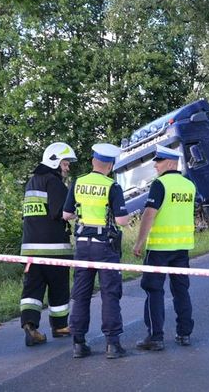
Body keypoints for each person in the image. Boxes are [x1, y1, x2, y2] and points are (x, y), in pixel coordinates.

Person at [62, 143, 129, 359]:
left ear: (93, 162)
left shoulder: (78, 182)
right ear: (110, 166)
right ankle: (112, 344)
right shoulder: (112, 186)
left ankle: (79, 343)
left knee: (81, 294)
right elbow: (121, 220)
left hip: (82, 245)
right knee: (110, 293)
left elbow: (66, 214)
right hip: (105, 246)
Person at [133, 145, 196, 352]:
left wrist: (139, 242)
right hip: (182, 247)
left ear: (169, 163)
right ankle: (184, 333)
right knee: (181, 290)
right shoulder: (189, 185)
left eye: (158, 161)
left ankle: (155, 337)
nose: (155, 165)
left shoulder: (160, 184)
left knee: (153, 290)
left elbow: (149, 214)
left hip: (160, 248)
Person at [20, 142, 77, 346]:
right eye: (65, 163)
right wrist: (75, 210)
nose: (67, 167)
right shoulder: (54, 182)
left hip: (30, 250)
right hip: (54, 250)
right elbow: (59, 212)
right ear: (55, 162)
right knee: (59, 288)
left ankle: (30, 325)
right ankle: (60, 326)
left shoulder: (31, 182)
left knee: (32, 290)